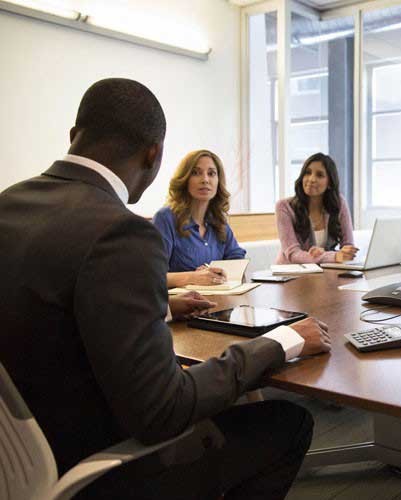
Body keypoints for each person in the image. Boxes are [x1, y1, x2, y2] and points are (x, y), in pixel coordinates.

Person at [0, 78, 331, 499]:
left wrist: (168, 308)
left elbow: (57, 309)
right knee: (288, 423)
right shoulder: (122, 232)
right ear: (154, 155)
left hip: (21, 455)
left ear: (73, 136)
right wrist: (283, 340)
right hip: (94, 469)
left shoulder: (9, 203)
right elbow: (163, 409)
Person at [152, 150, 245, 288]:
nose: (205, 180)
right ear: (184, 179)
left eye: (211, 173)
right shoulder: (165, 218)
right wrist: (193, 277)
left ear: (218, 181)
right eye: (196, 173)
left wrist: (219, 273)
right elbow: (153, 276)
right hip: (179, 301)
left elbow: (237, 262)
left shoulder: (219, 221)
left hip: (218, 299)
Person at [275, 152, 358, 264]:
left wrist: (344, 253)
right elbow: (293, 254)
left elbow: (348, 246)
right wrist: (333, 256)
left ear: (329, 183)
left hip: (323, 271)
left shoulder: (339, 203)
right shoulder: (284, 207)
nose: (311, 179)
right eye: (307, 173)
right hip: (290, 272)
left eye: (319, 175)